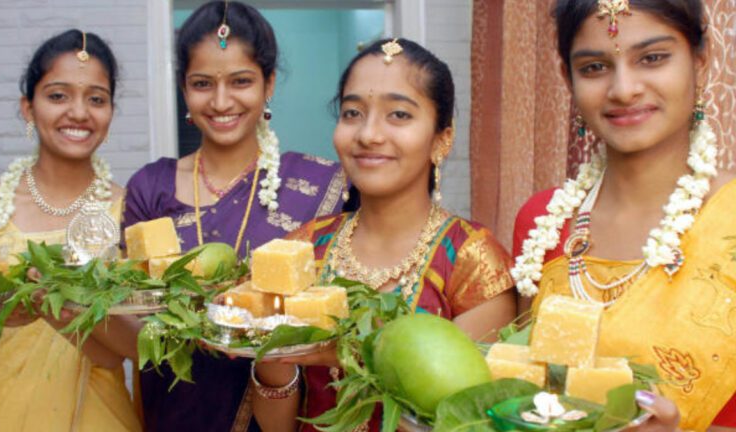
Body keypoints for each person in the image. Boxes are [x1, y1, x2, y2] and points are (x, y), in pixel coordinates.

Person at [251, 38, 518, 432]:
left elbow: (465, 419)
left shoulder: (472, 261)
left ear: (442, 138)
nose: (369, 134)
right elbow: (277, 427)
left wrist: (344, 352)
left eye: (398, 115)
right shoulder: (305, 248)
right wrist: (271, 357)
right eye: (353, 112)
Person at [511, 1, 736, 430]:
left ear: (700, 61)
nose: (624, 89)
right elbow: (522, 394)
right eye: (595, 67)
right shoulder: (543, 222)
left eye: (652, 59)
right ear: (567, 78)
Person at [121, 1, 344, 430]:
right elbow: (134, 335)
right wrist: (67, 307)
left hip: (282, 412)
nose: (221, 101)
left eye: (241, 81)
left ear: (269, 84)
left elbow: (331, 321)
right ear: (184, 90)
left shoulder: (322, 186)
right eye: (203, 83)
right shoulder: (150, 188)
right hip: (175, 412)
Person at [0, 29, 141, 431]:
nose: (79, 113)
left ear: (111, 112)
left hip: (102, 417)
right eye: (58, 95)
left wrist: (65, 308)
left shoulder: (129, 212)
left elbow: (135, 349)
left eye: (96, 98)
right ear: (28, 108)